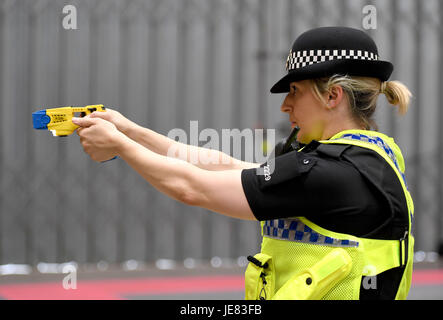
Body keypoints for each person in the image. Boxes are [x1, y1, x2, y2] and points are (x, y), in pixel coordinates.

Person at [72, 26, 414, 300]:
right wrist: (130, 131)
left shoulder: (334, 172)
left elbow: (192, 188)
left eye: (294, 90)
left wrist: (119, 145)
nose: (285, 105)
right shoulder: (365, 159)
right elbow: (226, 167)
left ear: (332, 95)